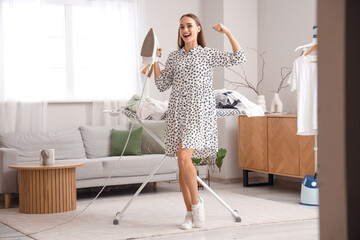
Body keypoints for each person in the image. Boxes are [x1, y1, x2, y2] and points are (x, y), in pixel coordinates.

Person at [153, 13, 246, 230]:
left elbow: (239, 57)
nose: (185, 30)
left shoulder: (207, 54)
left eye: (189, 26)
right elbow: (161, 84)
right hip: (177, 113)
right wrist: (155, 61)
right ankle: (188, 214)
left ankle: (197, 204)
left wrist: (228, 33)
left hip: (198, 114)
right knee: (181, 164)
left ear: (198, 29)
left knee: (185, 158)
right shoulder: (175, 57)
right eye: (181, 27)